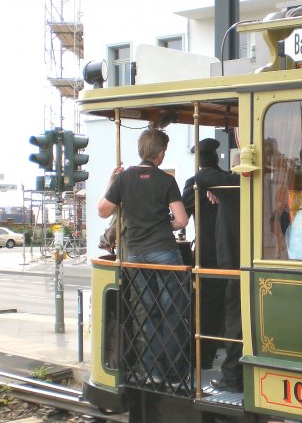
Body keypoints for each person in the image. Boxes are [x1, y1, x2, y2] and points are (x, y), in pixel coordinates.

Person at [98, 128, 190, 384]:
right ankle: (172, 372)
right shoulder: (166, 180)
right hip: (164, 251)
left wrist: (110, 180)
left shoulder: (124, 179)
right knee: (173, 311)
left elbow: (103, 211)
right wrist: (165, 224)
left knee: (149, 313)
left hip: (136, 254)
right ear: (160, 154)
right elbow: (181, 220)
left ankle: (152, 372)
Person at [196, 147, 242, 392]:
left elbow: (203, 177)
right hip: (241, 259)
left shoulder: (233, 185)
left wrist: (217, 188)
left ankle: (232, 377)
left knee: (234, 319)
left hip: (234, 260)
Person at [181, 138, 226, 369]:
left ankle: (204, 358)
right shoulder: (229, 179)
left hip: (207, 252)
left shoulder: (195, 182)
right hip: (232, 253)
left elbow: (181, 218)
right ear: (217, 158)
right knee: (228, 303)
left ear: (199, 161)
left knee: (205, 306)